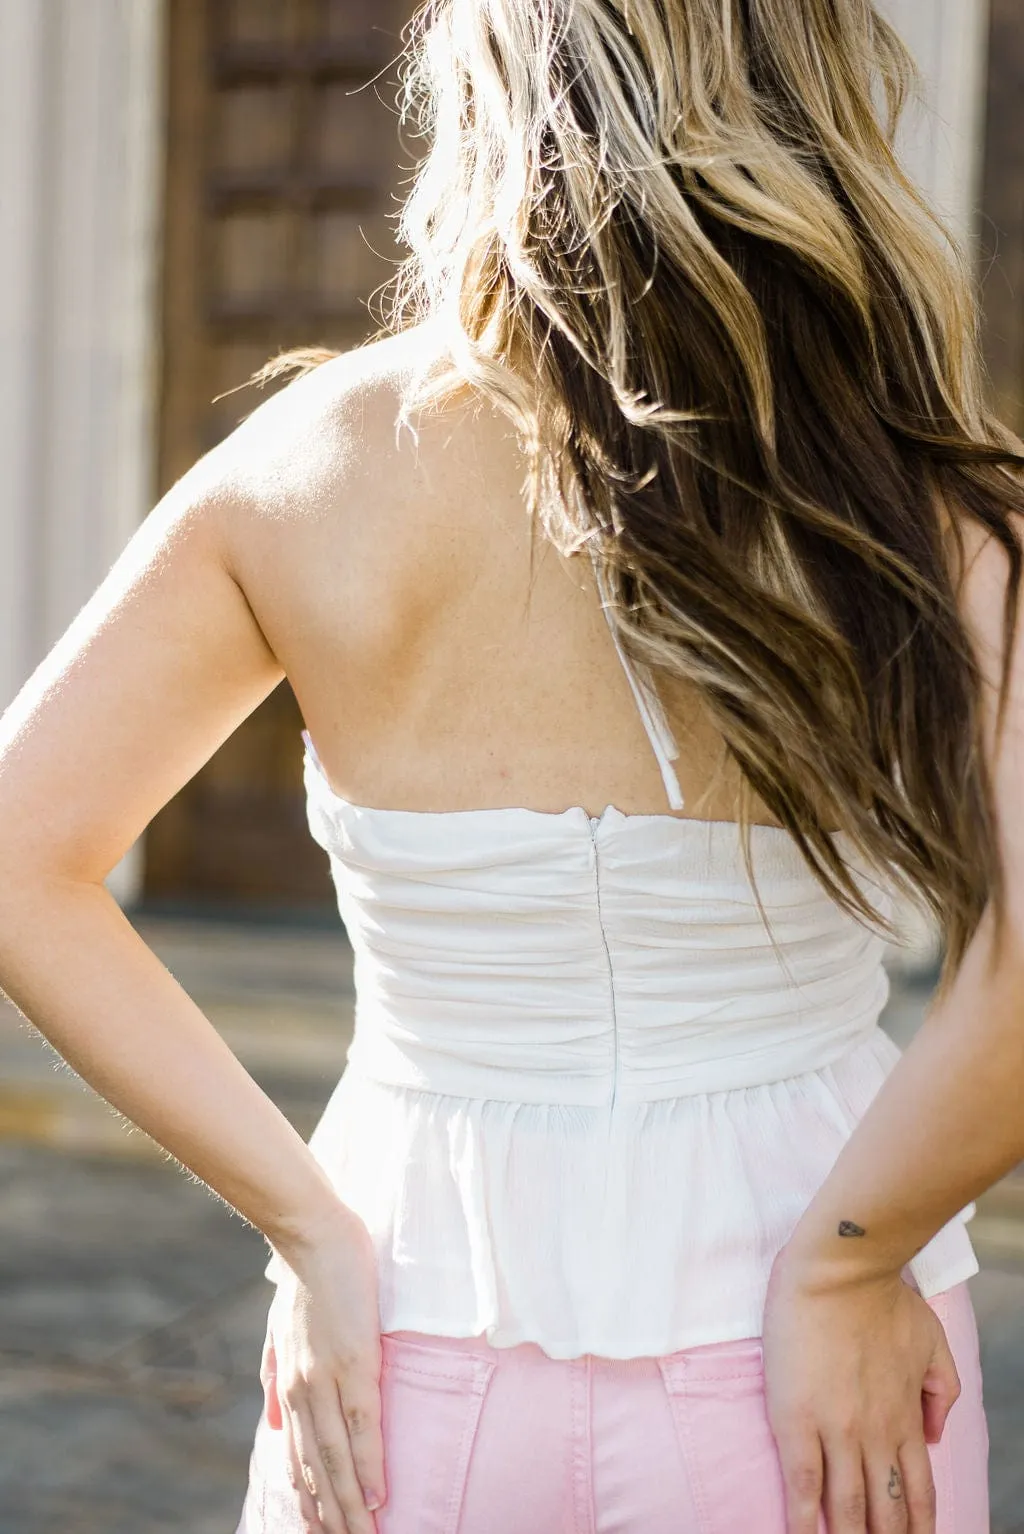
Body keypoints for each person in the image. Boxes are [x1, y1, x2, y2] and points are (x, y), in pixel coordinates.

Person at [2, 0, 1023, 1529]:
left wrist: (309, 1226)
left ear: (484, 93)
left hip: (402, 1338)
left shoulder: (311, 466)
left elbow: (22, 855)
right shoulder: (924, 499)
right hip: (810, 1351)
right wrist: (857, 1255)